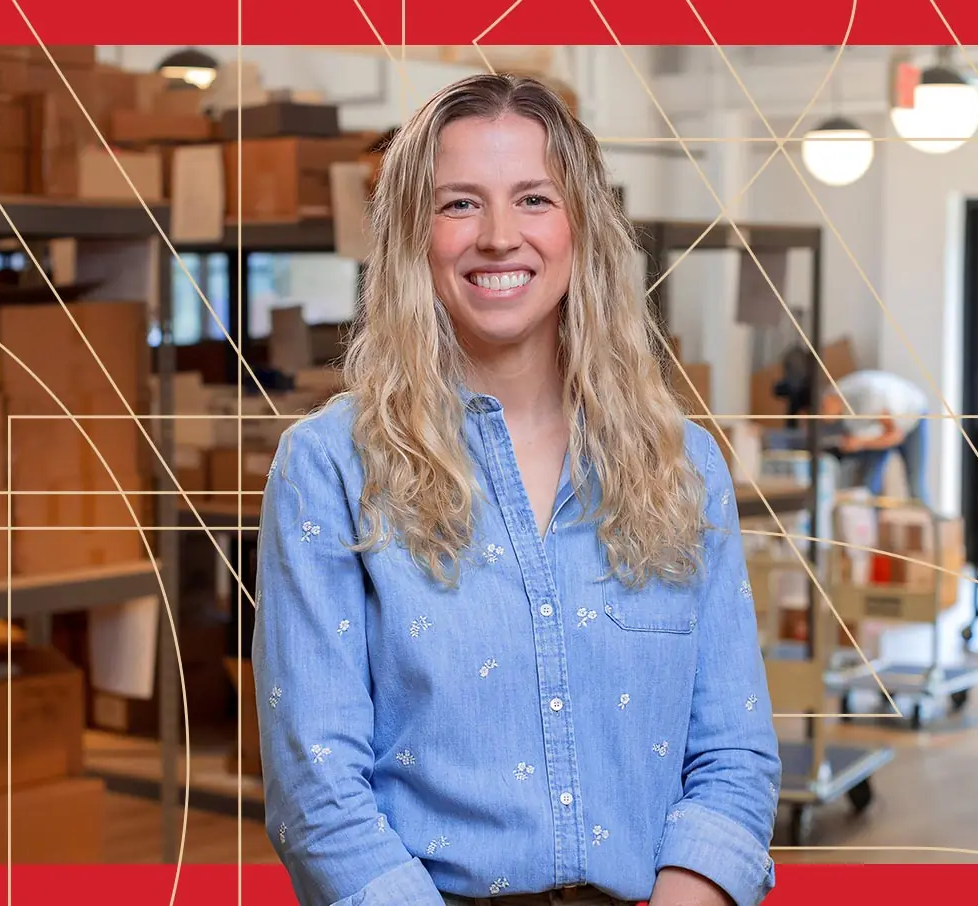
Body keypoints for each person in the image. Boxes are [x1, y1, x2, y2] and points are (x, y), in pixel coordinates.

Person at [252, 74, 782, 906]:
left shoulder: (684, 465)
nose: (500, 237)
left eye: (534, 199)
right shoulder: (330, 467)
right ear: (412, 236)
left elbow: (734, 753)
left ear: (582, 228)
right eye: (459, 204)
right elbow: (316, 790)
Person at [818, 369, 931, 505]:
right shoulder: (839, 397)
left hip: (912, 415)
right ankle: (871, 515)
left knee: (915, 485)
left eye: (822, 410)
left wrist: (859, 442)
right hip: (880, 428)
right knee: (870, 483)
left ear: (827, 401)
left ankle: (928, 515)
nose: (823, 417)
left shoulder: (871, 397)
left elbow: (895, 436)